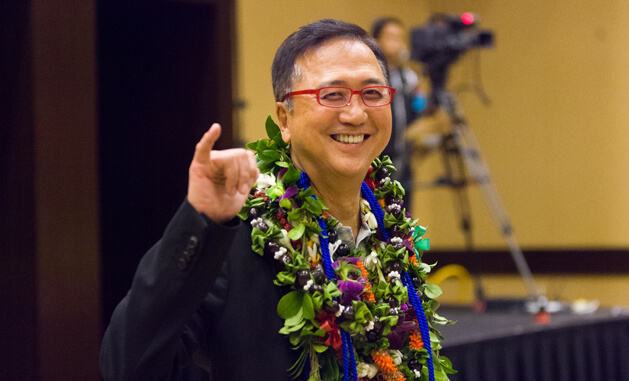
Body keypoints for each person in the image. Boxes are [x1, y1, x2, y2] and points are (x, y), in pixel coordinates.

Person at [100, 19, 453, 381]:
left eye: (373, 93)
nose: (355, 113)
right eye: (332, 95)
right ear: (284, 118)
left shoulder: (392, 231)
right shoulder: (244, 235)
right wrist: (199, 220)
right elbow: (127, 367)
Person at [371, 17, 423, 211]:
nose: (397, 43)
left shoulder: (408, 77)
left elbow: (418, 107)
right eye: (391, 37)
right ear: (376, 41)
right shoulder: (370, 76)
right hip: (377, 161)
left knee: (403, 214)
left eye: (400, 38)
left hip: (403, 161)